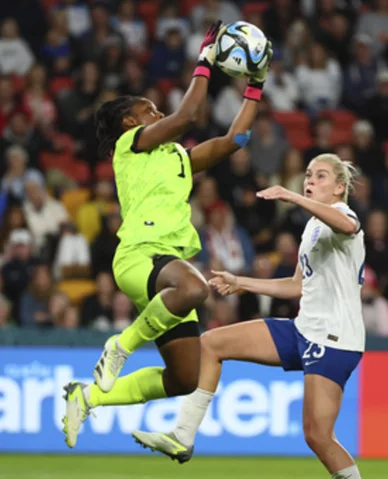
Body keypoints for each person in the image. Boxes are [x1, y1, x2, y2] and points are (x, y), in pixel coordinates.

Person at [61, 21, 274, 448]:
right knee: (196, 289)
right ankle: (120, 346)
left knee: (184, 377)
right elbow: (188, 115)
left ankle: (86, 396)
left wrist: (256, 85)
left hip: (165, 271)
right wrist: (205, 60)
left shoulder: (177, 157)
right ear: (129, 121)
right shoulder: (132, 146)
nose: (157, 115)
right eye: (149, 110)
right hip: (142, 257)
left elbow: (236, 139)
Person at [132, 154, 366, 479]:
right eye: (309, 174)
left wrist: (292, 197)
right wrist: (241, 282)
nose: (310, 180)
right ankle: (182, 436)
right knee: (212, 343)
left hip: (335, 337)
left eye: (321, 176)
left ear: (340, 187)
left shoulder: (342, 214)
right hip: (305, 329)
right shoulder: (313, 227)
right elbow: (296, 285)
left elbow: (349, 226)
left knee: (317, 436)